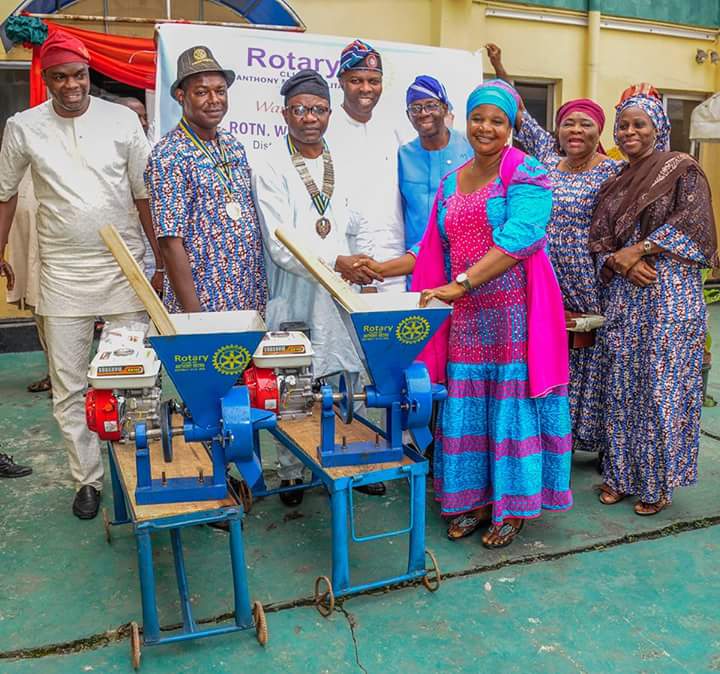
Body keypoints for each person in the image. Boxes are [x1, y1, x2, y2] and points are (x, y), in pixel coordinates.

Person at [355, 82, 573, 547]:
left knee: (511, 406)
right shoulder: (452, 181)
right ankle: (472, 500)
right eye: (478, 118)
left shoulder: (526, 171)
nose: (486, 128)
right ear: (466, 120)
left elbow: (523, 235)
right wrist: (381, 269)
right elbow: (433, 248)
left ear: (511, 127)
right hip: (467, 318)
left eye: (497, 120)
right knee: (467, 406)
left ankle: (511, 507)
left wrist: (463, 283)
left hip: (515, 315)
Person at [0, 32, 153, 519]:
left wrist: (160, 265)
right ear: (45, 80)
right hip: (62, 274)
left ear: (90, 74)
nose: (71, 86)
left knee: (132, 378)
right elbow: (5, 193)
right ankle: (87, 479)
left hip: (123, 269)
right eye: (60, 77)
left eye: (79, 75)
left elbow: (144, 194)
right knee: (68, 385)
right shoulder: (23, 127)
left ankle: (133, 471)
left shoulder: (122, 120)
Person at [254, 69, 385, 501]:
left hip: (345, 292)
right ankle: (293, 471)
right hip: (296, 292)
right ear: (284, 113)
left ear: (329, 113)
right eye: (299, 109)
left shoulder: (343, 159)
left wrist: (365, 269)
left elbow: (361, 222)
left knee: (352, 378)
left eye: (318, 109)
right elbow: (280, 245)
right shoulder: (269, 164)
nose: (309, 118)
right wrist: (337, 263)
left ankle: (356, 458)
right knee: (293, 381)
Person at [488, 43, 622, 455]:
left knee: (593, 356)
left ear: (599, 131)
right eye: (568, 124)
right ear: (559, 131)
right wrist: (499, 68)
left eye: (585, 124)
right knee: (551, 349)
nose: (575, 131)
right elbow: (519, 113)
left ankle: (592, 437)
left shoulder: (614, 171)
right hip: (545, 273)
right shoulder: (547, 158)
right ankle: (555, 435)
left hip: (591, 276)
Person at [589, 91, 717, 515]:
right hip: (625, 295)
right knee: (623, 385)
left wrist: (640, 250)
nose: (630, 132)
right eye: (623, 125)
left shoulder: (680, 168)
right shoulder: (615, 181)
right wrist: (619, 261)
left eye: (639, 124)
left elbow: (694, 224)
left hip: (669, 293)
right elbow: (600, 240)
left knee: (662, 386)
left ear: (658, 128)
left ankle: (657, 482)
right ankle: (619, 475)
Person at [145, 46, 267, 314]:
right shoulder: (168, 154)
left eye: (220, 91)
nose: (214, 100)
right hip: (202, 301)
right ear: (181, 96)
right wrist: (196, 318)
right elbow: (169, 242)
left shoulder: (233, 145)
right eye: (202, 92)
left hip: (246, 296)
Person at [325, 39, 406, 291]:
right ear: (341, 81)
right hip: (346, 265)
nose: (366, 89)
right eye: (356, 80)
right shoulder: (325, 132)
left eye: (373, 81)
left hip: (392, 263)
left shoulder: (393, 131)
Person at [398, 75, 472, 255]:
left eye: (431, 105)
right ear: (408, 115)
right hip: (415, 261)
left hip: (462, 259)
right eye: (415, 108)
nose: (423, 113)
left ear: (445, 108)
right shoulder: (403, 155)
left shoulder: (470, 148)